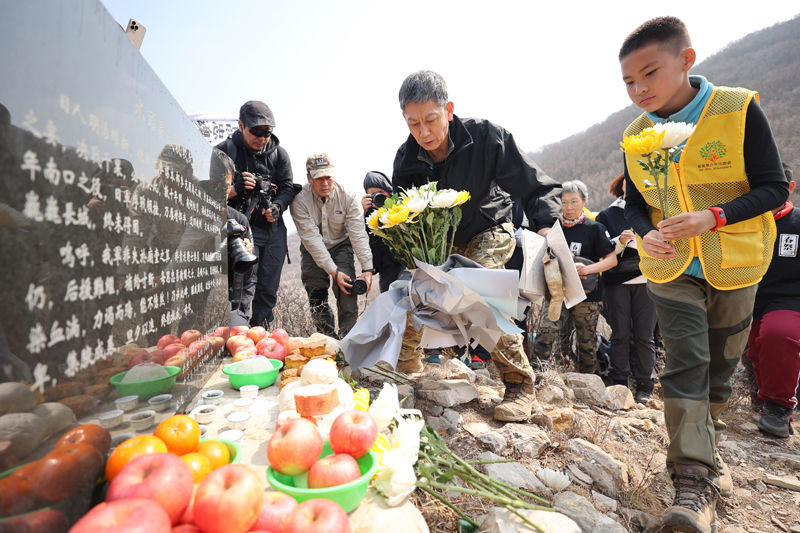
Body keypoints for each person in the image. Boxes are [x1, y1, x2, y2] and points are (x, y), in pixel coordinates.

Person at [620, 17, 789, 532]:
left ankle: (705, 445)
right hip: (670, 265)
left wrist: (713, 217)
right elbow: (632, 204)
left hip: (735, 261)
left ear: (686, 60)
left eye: (649, 73)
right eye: (628, 82)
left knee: (720, 367)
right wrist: (641, 231)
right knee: (686, 360)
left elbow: (775, 190)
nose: (639, 89)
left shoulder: (737, 110)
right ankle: (691, 481)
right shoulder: (636, 134)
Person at [392, 70, 562, 422]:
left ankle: (520, 384)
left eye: (430, 120)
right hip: (439, 241)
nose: (423, 132)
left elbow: (536, 185)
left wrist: (545, 228)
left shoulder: (487, 137)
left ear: (448, 109)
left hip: (489, 226)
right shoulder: (406, 160)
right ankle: (405, 374)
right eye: (413, 123)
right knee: (413, 290)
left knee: (480, 291)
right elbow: (403, 215)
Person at [217, 100, 299, 328]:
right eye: (256, 131)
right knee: (241, 291)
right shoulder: (224, 152)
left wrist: (278, 207)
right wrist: (235, 190)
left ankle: (261, 335)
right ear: (241, 125)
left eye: (267, 132)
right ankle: (238, 339)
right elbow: (206, 197)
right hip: (239, 231)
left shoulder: (279, 154)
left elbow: (288, 187)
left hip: (272, 230)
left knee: (268, 290)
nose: (262, 138)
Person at [531, 181, 617, 373]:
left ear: (584, 201)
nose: (569, 207)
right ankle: (536, 374)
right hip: (557, 292)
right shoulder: (554, 229)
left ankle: (587, 380)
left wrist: (588, 269)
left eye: (574, 201)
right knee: (546, 333)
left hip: (588, 294)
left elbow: (611, 261)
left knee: (586, 340)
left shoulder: (595, 228)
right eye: (564, 202)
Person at [290, 153, 374, 338]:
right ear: (309, 178)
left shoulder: (349, 198)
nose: (325, 183)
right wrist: (333, 271)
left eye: (328, 177)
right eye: (319, 178)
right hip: (313, 250)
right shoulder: (299, 201)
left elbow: (358, 235)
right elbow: (312, 240)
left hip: (341, 245)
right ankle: (327, 340)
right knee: (316, 294)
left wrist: (367, 269)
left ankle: (348, 340)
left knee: (348, 290)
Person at [596, 173, 658, 404]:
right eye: (628, 180)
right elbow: (600, 248)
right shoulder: (607, 214)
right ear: (620, 185)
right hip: (616, 281)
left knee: (645, 336)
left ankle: (645, 385)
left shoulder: (654, 210)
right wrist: (618, 241)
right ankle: (619, 381)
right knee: (620, 334)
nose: (632, 185)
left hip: (648, 279)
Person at [746, 164, 798, 438]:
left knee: (778, 334)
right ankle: (763, 399)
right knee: (751, 349)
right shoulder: (742, 219)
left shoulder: (797, 222)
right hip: (744, 293)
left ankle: (779, 408)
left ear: (789, 188)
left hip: (789, 298)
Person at [360, 171, 405, 293]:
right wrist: (362, 213)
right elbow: (360, 238)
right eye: (372, 195)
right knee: (389, 302)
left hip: (406, 264)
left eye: (380, 193)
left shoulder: (401, 206)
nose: (377, 197)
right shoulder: (369, 216)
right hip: (386, 269)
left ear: (389, 191)